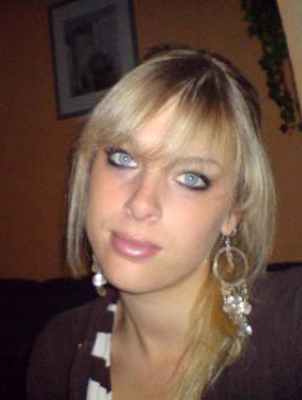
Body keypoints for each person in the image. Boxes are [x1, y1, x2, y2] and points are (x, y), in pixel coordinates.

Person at [27, 45, 302, 399]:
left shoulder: (290, 329)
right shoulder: (58, 352)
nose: (141, 204)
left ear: (233, 212)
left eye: (190, 178)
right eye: (123, 158)